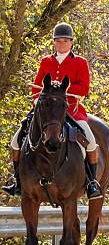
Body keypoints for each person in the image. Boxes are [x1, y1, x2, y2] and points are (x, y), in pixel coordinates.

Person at [2, 23, 102, 199]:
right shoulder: (46, 61)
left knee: (91, 141)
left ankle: (92, 182)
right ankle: (17, 180)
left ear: (71, 42)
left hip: (70, 109)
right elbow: (36, 87)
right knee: (16, 140)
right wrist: (37, 102)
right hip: (46, 112)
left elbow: (84, 88)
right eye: (58, 40)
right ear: (54, 42)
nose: (62, 43)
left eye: (65, 40)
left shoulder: (80, 62)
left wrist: (63, 94)